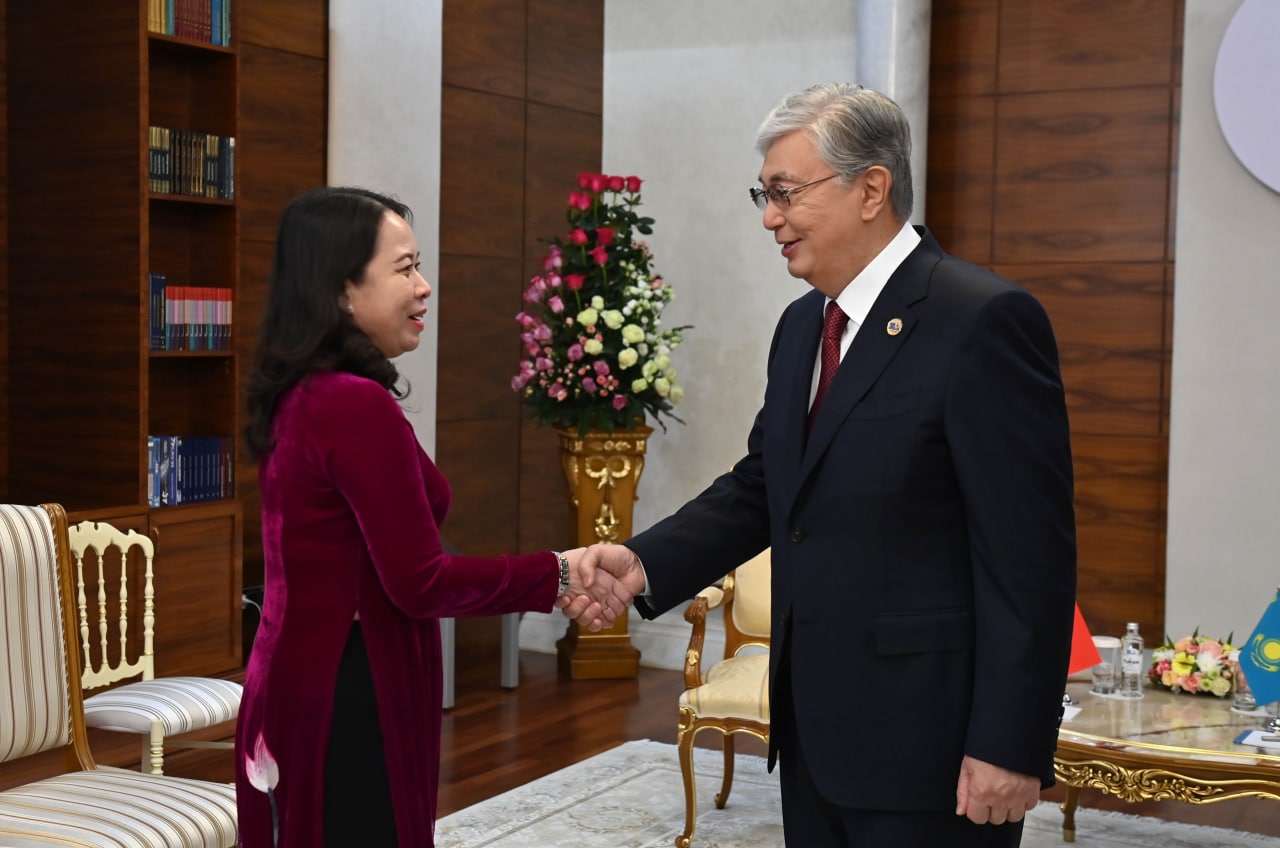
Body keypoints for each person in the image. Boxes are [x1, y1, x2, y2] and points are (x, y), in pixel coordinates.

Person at [569, 83, 1077, 847]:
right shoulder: (805, 323)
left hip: (931, 744)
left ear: (872, 188)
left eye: (786, 193)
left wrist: (1010, 743)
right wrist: (643, 562)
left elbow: (1029, 558)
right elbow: (766, 483)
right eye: (763, 195)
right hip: (814, 731)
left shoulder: (982, 321)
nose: (770, 218)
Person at [236, 186, 621, 847]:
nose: (425, 287)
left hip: (298, 681)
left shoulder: (303, 394)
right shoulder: (353, 405)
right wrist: (559, 575)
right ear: (339, 291)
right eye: (405, 268)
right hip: (351, 693)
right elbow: (421, 580)